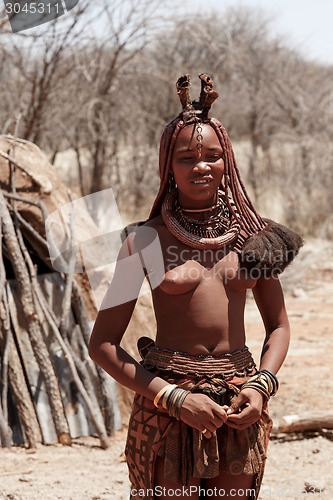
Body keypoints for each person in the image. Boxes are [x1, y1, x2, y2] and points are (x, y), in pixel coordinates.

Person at [88, 74, 303, 500]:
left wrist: (261, 386)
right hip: (168, 402)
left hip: (239, 401)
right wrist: (173, 398)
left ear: (228, 161)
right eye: (186, 157)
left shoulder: (253, 238)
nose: (201, 166)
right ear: (168, 164)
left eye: (212, 155)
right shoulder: (144, 240)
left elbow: (278, 326)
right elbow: (104, 344)